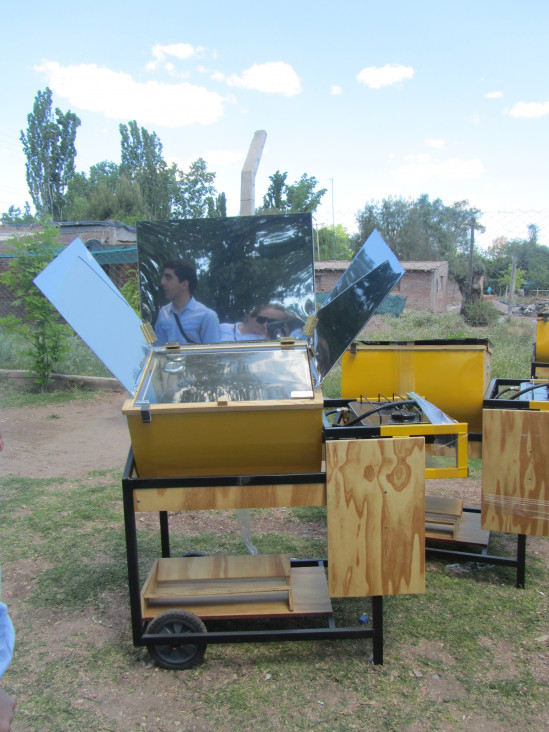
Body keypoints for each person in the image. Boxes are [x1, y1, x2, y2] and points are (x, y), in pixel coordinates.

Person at [153, 260, 220, 345]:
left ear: (184, 284)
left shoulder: (207, 316)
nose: (162, 282)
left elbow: (213, 355)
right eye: (163, 278)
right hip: (169, 358)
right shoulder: (163, 313)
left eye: (168, 278)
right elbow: (158, 350)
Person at [219, 304, 287, 342]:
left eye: (272, 322)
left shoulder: (274, 341)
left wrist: (270, 341)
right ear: (250, 317)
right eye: (261, 319)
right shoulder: (223, 328)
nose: (265, 325)